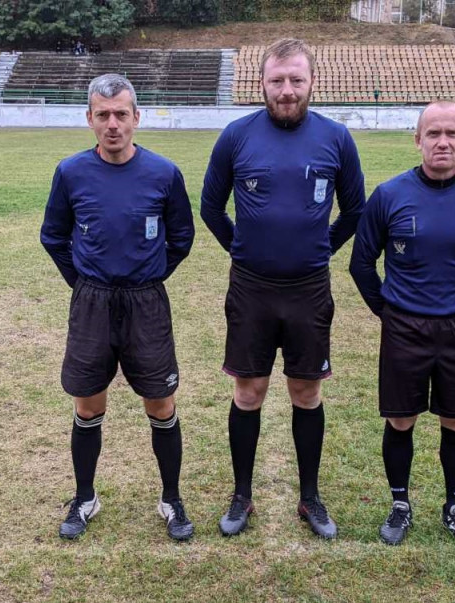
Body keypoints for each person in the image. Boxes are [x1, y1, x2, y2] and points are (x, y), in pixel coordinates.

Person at [201, 38, 365, 540]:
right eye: (277, 80)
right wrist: (243, 249)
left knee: (306, 391)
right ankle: (241, 495)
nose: (287, 90)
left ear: (313, 82)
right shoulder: (236, 136)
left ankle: (310, 497)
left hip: (309, 289)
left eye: (296, 79)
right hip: (251, 289)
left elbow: (354, 211)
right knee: (248, 392)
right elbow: (210, 208)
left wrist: (319, 249)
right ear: (262, 83)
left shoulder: (336, 138)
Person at [41, 73, 196, 541]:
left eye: (121, 114)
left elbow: (181, 238)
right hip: (92, 302)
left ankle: (171, 499)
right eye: (103, 115)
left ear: (136, 118)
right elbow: (53, 236)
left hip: (146, 303)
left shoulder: (164, 173)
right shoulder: (70, 172)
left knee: (161, 402)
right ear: (89, 118)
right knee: (88, 403)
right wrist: (83, 282)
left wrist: (149, 275)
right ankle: (85, 497)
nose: (113, 124)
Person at [349, 100, 455, 547]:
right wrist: (388, 312)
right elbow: (361, 264)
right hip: (404, 327)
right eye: (433, 133)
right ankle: (400, 504)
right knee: (401, 419)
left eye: (452, 133)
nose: (443, 142)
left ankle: (454, 508)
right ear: (417, 139)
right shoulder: (389, 195)